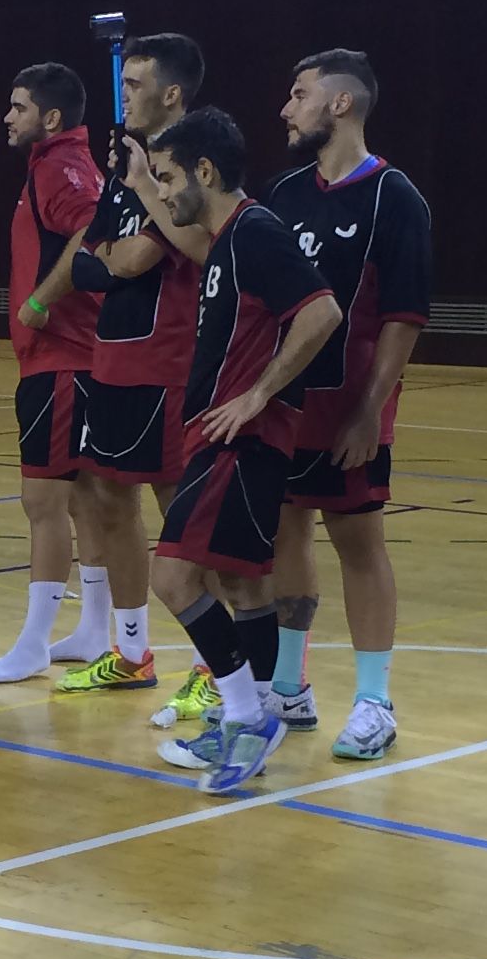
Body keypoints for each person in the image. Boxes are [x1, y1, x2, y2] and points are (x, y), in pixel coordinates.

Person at [134, 109, 342, 795]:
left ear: (204, 171)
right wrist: (137, 181)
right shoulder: (225, 240)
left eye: (166, 178)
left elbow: (321, 312)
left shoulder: (255, 232)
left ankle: (249, 717)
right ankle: (248, 715)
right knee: (246, 586)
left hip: (240, 439)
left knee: (171, 579)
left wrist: (257, 395)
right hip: (220, 437)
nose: (163, 193)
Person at [266, 50, 431, 762]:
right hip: (287, 406)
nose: (286, 108)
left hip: (349, 410)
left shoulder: (396, 197)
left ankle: (374, 702)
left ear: (341, 105)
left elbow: (402, 317)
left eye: (299, 95)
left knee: (358, 543)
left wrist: (371, 410)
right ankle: (287, 686)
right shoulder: (282, 194)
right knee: (282, 534)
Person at [53, 32, 208, 699]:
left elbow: (138, 260)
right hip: (110, 359)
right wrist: (111, 257)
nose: (126, 97)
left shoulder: (190, 167)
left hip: (165, 361)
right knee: (108, 500)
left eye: (137, 85)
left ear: (171, 93)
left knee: (186, 512)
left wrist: (114, 257)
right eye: (124, 85)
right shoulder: (126, 168)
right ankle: (133, 652)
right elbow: (89, 260)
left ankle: (216, 663)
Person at [0, 60, 105, 682]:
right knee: (80, 500)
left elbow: (94, 235)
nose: (8, 115)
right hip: (57, 358)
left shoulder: (62, 169)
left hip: (63, 359)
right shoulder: (53, 165)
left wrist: (40, 301)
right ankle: (96, 630)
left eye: (18, 106)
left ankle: (32, 643)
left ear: (50, 118)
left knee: (43, 500)